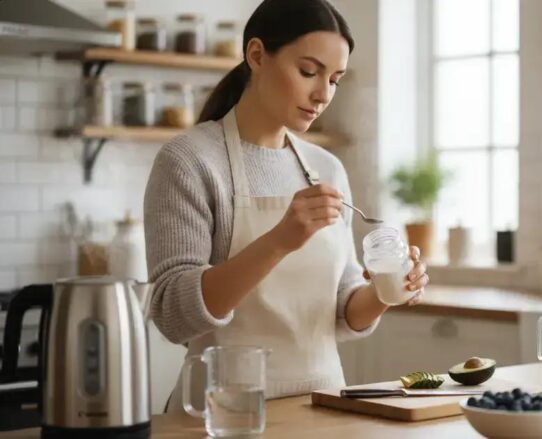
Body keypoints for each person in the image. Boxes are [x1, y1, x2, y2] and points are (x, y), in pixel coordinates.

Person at [143, 0, 429, 413]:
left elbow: (342, 305)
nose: (324, 94)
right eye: (309, 72)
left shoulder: (325, 167)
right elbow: (173, 315)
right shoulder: (189, 161)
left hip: (324, 409)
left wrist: (386, 291)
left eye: (335, 79)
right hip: (223, 414)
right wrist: (279, 240)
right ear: (256, 55)